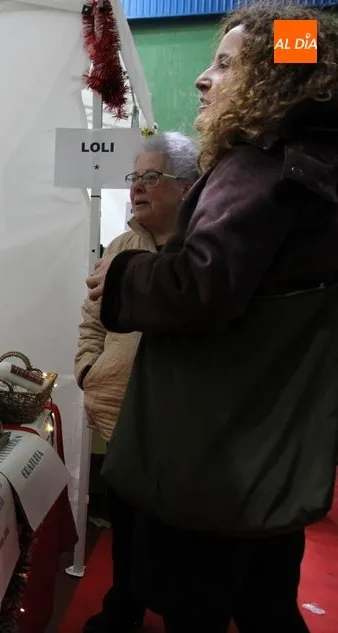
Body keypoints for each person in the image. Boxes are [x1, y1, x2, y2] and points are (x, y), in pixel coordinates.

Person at [87, 5, 338, 632]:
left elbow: (200, 286)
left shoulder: (258, 166)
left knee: (200, 607)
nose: (204, 78)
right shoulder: (313, 165)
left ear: (273, 79)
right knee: (265, 603)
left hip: (214, 450)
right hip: (263, 445)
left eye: (225, 64)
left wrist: (121, 278)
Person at [75, 131, 198, 633]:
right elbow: (91, 321)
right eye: (134, 177)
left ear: (187, 187)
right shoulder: (121, 247)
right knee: (125, 523)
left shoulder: (201, 253)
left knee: (176, 533)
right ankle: (123, 610)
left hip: (181, 425)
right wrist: (88, 369)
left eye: (152, 176)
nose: (137, 187)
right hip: (119, 410)